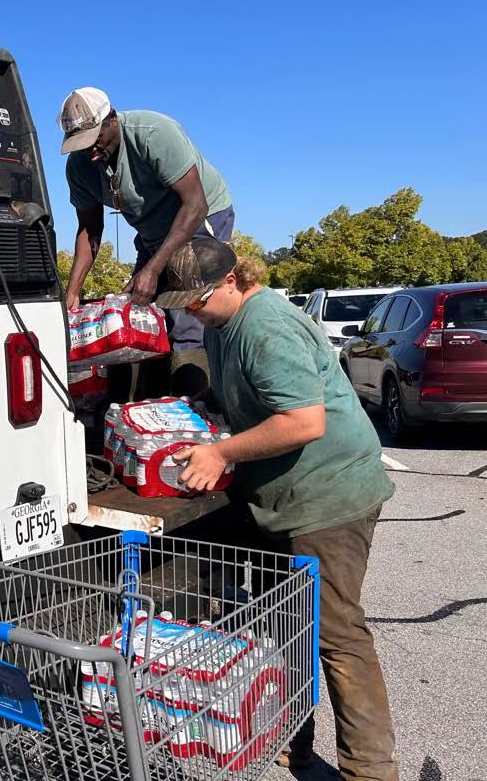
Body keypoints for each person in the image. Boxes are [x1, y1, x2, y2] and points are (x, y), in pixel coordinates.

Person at [157, 237, 398, 781]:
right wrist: (203, 412)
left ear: (231, 281)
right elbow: (250, 399)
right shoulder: (224, 324)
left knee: (335, 633)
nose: (192, 312)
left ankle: (371, 772)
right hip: (283, 497)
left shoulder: (266, 325)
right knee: (288, 627)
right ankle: (294, 743)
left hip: (329, 496)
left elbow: (303, 422)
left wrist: (219, 452)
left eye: (197, 300)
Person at [58, 87, 234, 396]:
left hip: (198, 221)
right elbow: (89, 229)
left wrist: (152, 271)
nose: (90, 151)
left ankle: (193, 410)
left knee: (187, 318)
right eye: (80, 144)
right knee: (137, 313)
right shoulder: (79, 166)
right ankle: (142, 412)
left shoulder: (153, 134)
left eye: (94, 139)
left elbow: (195, 205)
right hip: (153, 235)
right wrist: (72, 293)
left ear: (111, 119)